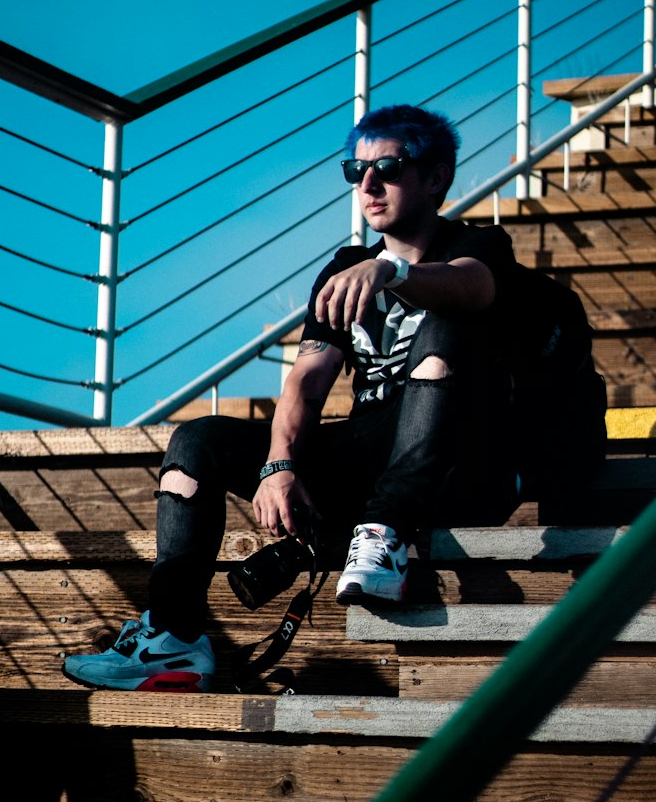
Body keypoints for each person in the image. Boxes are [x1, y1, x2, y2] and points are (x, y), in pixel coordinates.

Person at [63, 103, 519, 692]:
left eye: (389, 167)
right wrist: (279, 465)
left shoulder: (481, 245)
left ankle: (387, 532)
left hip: (452, 466)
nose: (369, 184)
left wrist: (396, 275)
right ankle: (174, 639)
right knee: (196, 441)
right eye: (356, 171)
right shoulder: (346, 267)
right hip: (367, 450)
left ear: (436, 177)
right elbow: (306, 379)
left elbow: (472, 286)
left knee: (444, 324)